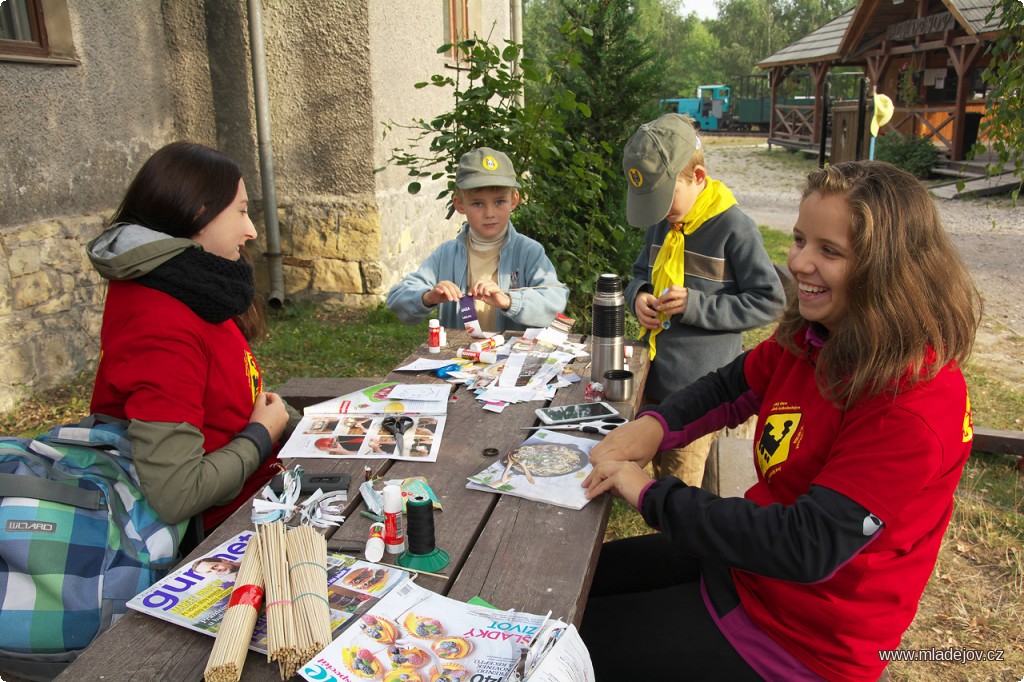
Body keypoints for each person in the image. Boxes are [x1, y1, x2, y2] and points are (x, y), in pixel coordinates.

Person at [579, 161, 982, 681]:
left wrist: (650, 494)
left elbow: (805, 545)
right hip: (744, 572)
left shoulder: (913, 402)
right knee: (576, 591)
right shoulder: (821, 334)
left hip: (798, 642)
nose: (798, 263)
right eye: (798, 240)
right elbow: (732, 385)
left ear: (887, 269)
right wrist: (653, 425)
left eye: (828, 251)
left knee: (567, 646)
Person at [88, 141, 293, 533]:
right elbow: (176, 493)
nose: (250, 230)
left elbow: (224, 401)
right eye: (242, 211)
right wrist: (262, 434)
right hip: (223, 530)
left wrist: (297, 423)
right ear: (200, 212)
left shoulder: (194, 287)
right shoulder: (159, 321)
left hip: (259, 492)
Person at [622, 113, 785, 486]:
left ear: (697, 177)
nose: (660, 212)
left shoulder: (733, 229)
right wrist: (639, 297)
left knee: (679, 489)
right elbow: (638, 275)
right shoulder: (662, 221)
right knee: (644, 472)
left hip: (699, 392)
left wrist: (697, 306)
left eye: (666, 199)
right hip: (652, 380)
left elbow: (769, 300)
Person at [386, 147, 568, 333]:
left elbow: (555, 300)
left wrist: (509, 301)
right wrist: (428, 297)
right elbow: (397, 298)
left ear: (514, 200)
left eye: (499, 202)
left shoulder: (529, 251)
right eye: (477, 203)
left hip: (511, 358)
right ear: (460, 204)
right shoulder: (446, 254)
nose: (490, 214)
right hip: (457, 356)